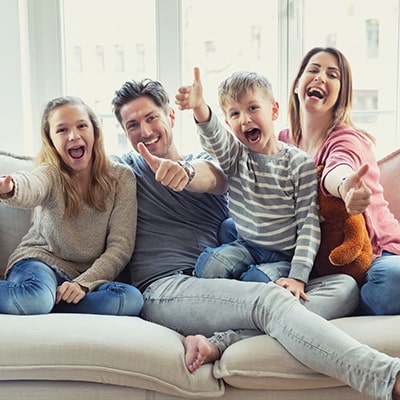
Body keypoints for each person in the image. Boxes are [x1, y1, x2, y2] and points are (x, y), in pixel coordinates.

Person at [111, 78, 400, 400]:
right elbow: (86, 170)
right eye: (132, 125)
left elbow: (209, 176)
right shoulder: (125, 171)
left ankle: (224, 340)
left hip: (229, 286)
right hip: (169, 287)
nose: (145, 131)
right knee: (270, 301)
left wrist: (186, 173)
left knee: (344, 287)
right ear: (124, 132)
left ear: (170, 116)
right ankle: (386, 377)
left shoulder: (216, 162)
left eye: (151, 118)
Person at [176, 67, 320, 302]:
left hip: (284, 256)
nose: (244, 119)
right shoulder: (235, 156)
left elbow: (309, 226)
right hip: (247, 245)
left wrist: (298, 277)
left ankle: (242, 291)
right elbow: (215, 136)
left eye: (253, 108)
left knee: (256, 282)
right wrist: (199, 106)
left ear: (274, 110)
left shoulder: (300, 164)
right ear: (228, 122)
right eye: (235, 114)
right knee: (210, 267)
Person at [278, 46, 400, 315]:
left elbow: (337, 168)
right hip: (320, 259)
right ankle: (337, 294)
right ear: (297, 84)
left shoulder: (347, 138)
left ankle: (347, 297)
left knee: (392, 282)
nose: (321, 77)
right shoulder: (282, 141)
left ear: (341, 94)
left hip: (379, 254)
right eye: (313, 70)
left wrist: (346, 188)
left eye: (332, 75)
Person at [0, 96, 143, 316]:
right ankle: (44, 300)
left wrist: (83, 284)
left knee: (129, 299)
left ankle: (51, 302)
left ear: (94, 131)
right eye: (62, 130)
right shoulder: (50, 173)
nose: (73, 136)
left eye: (81, 126)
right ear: (51, 140)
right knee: (36, 298)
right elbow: (32, 185)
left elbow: (120, 247)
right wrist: (11, 187)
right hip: (41, 263)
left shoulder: (122, 177)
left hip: (86, 277)